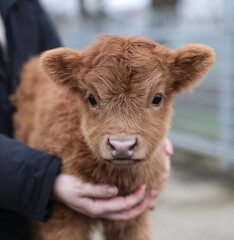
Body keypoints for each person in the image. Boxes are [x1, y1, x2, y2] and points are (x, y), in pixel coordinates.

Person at [0, 0, 173, 239]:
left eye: (156, 99)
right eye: (92, 98)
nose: (122, 135)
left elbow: (58, 69)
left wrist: (156, 143)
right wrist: (46, 181)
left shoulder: (24, 6)